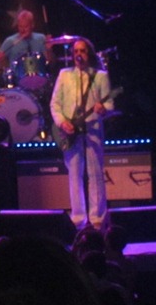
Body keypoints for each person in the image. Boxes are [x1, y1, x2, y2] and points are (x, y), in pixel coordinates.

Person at [49, 38, 113, 230]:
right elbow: (55, 104)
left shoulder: (100, 76)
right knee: (74, 174)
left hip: (93, 130)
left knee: (95, 173)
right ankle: (78, 217)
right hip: (70, 131)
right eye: (76, 51)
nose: (79, 54)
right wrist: (62, 122)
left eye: (82, 51)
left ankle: (97, 217)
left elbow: (110, 104)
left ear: (89, 54)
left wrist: (103, 109)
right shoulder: (64, 75)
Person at [0, 9, 50, 86]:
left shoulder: (41, 38)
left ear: (32, 25)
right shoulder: (10, 41)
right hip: (17, 82)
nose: (22, 30)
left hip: (39, 80)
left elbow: (49, 61)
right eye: (20, 26)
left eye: (26, 26)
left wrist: (49, 49)